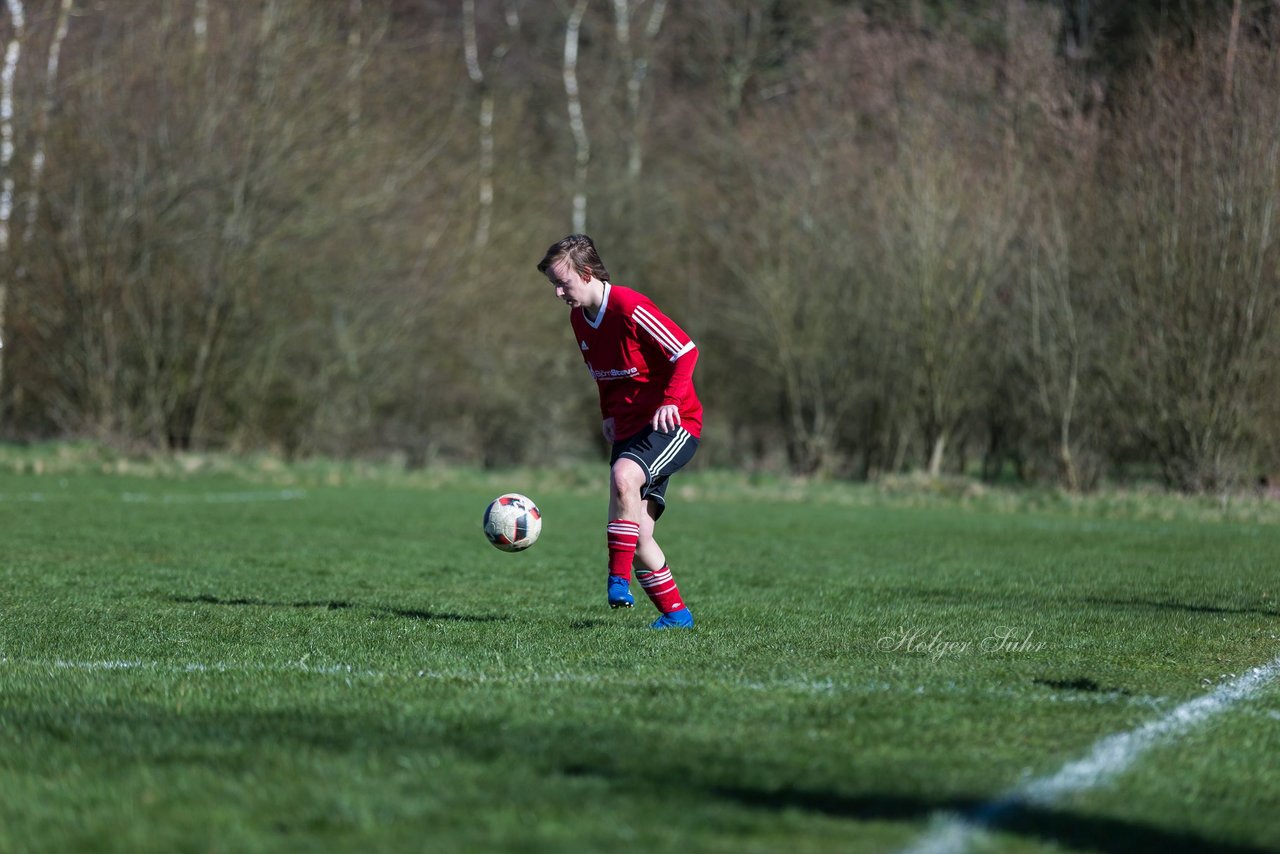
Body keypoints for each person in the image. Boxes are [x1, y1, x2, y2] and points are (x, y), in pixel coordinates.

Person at [537, 234, 702, 630]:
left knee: (623, 477)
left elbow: (686, 351)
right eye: (553, 285)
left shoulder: (629, 307)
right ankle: (677, 615)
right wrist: (607, 413)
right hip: (628, 430)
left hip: (673, 423)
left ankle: (617, 580)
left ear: (588, 273)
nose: (559, 292)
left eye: (564, 283)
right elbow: (603, 375)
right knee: (639, 533)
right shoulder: (579, 319)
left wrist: (669, 402)